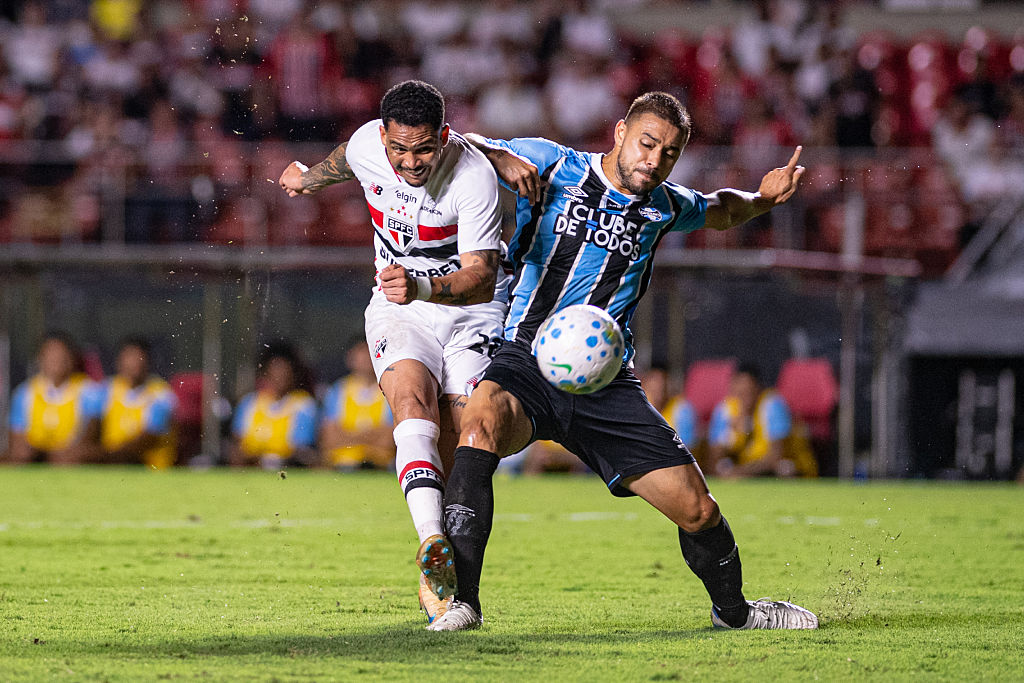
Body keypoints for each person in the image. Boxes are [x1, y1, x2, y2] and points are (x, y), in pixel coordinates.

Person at [428, 91, 819, 631]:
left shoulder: (664, 206)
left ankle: (735, 614)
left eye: (670, 153)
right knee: (478, 426)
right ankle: (461, 605)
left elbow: (720, 209)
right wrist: (503, 159)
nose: (655, 161)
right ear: (619, 133)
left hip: (606, 385)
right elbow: (460, 144)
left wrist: (762, 199)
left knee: (698, 510)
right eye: (648, 144)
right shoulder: (556, 162)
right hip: (525, 360)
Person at [277, 80, 511, 624]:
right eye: (399, 149)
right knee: (410, 402)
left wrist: (424, 285)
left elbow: (480, 275)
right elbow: (345, 160)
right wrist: (305, 180)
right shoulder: (367, 145)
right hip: (398, 307)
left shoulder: (473, 177)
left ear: (444, 137)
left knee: (464, 448)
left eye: (424, 149)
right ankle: (434, 549)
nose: (410, 161)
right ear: (382, 137)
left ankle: (462, 589)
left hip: (470, 313)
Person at [707, 362, 817, 478]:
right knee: (722, 467)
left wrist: (740, 472)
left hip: (785, 467)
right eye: (740, 393)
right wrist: (731, 436)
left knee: (784, 468)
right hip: (748, 468)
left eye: (748, 392)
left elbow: (775, 457)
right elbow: (713, 461)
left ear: (758, 388)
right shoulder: (725, 410)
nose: (744, 399)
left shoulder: (772, 405)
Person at [7, 333, 100, 465]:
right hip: (36, 455)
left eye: (61, 355)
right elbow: (17, 439)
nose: (56, 359)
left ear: (71, 358)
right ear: (40, 358)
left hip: (70, 456)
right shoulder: (24, 392)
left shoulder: (89, 390)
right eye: (51, 354)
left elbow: (89, 436)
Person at [230, 342, 318, 470]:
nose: (279, 376)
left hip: (287, 468)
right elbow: (238, 442)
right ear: (266, 373)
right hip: (252, 468)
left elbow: (300, 447)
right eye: (275, 370)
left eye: (284, 371)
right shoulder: (249, 402)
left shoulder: (303, 404)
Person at [94, 337, 178, 469]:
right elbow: (91, 426)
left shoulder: (161, 393)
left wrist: (103, 455)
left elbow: (149, 438)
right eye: (129, 357)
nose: (134, 364)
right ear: (118, 362)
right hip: (113, 466)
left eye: (139, 358)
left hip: (150, 469)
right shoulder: (106, 389)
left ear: (148, 362)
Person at [319, 338, 395, 471]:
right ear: (350, 358)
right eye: (361, 353)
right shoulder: (337, 391)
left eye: (369, 352)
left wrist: (347, 436)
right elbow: (329, 440)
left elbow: (389, 441)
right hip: (342, 467)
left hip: (380, 468)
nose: (366, 358)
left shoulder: (390, 390)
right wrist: (372, 436)